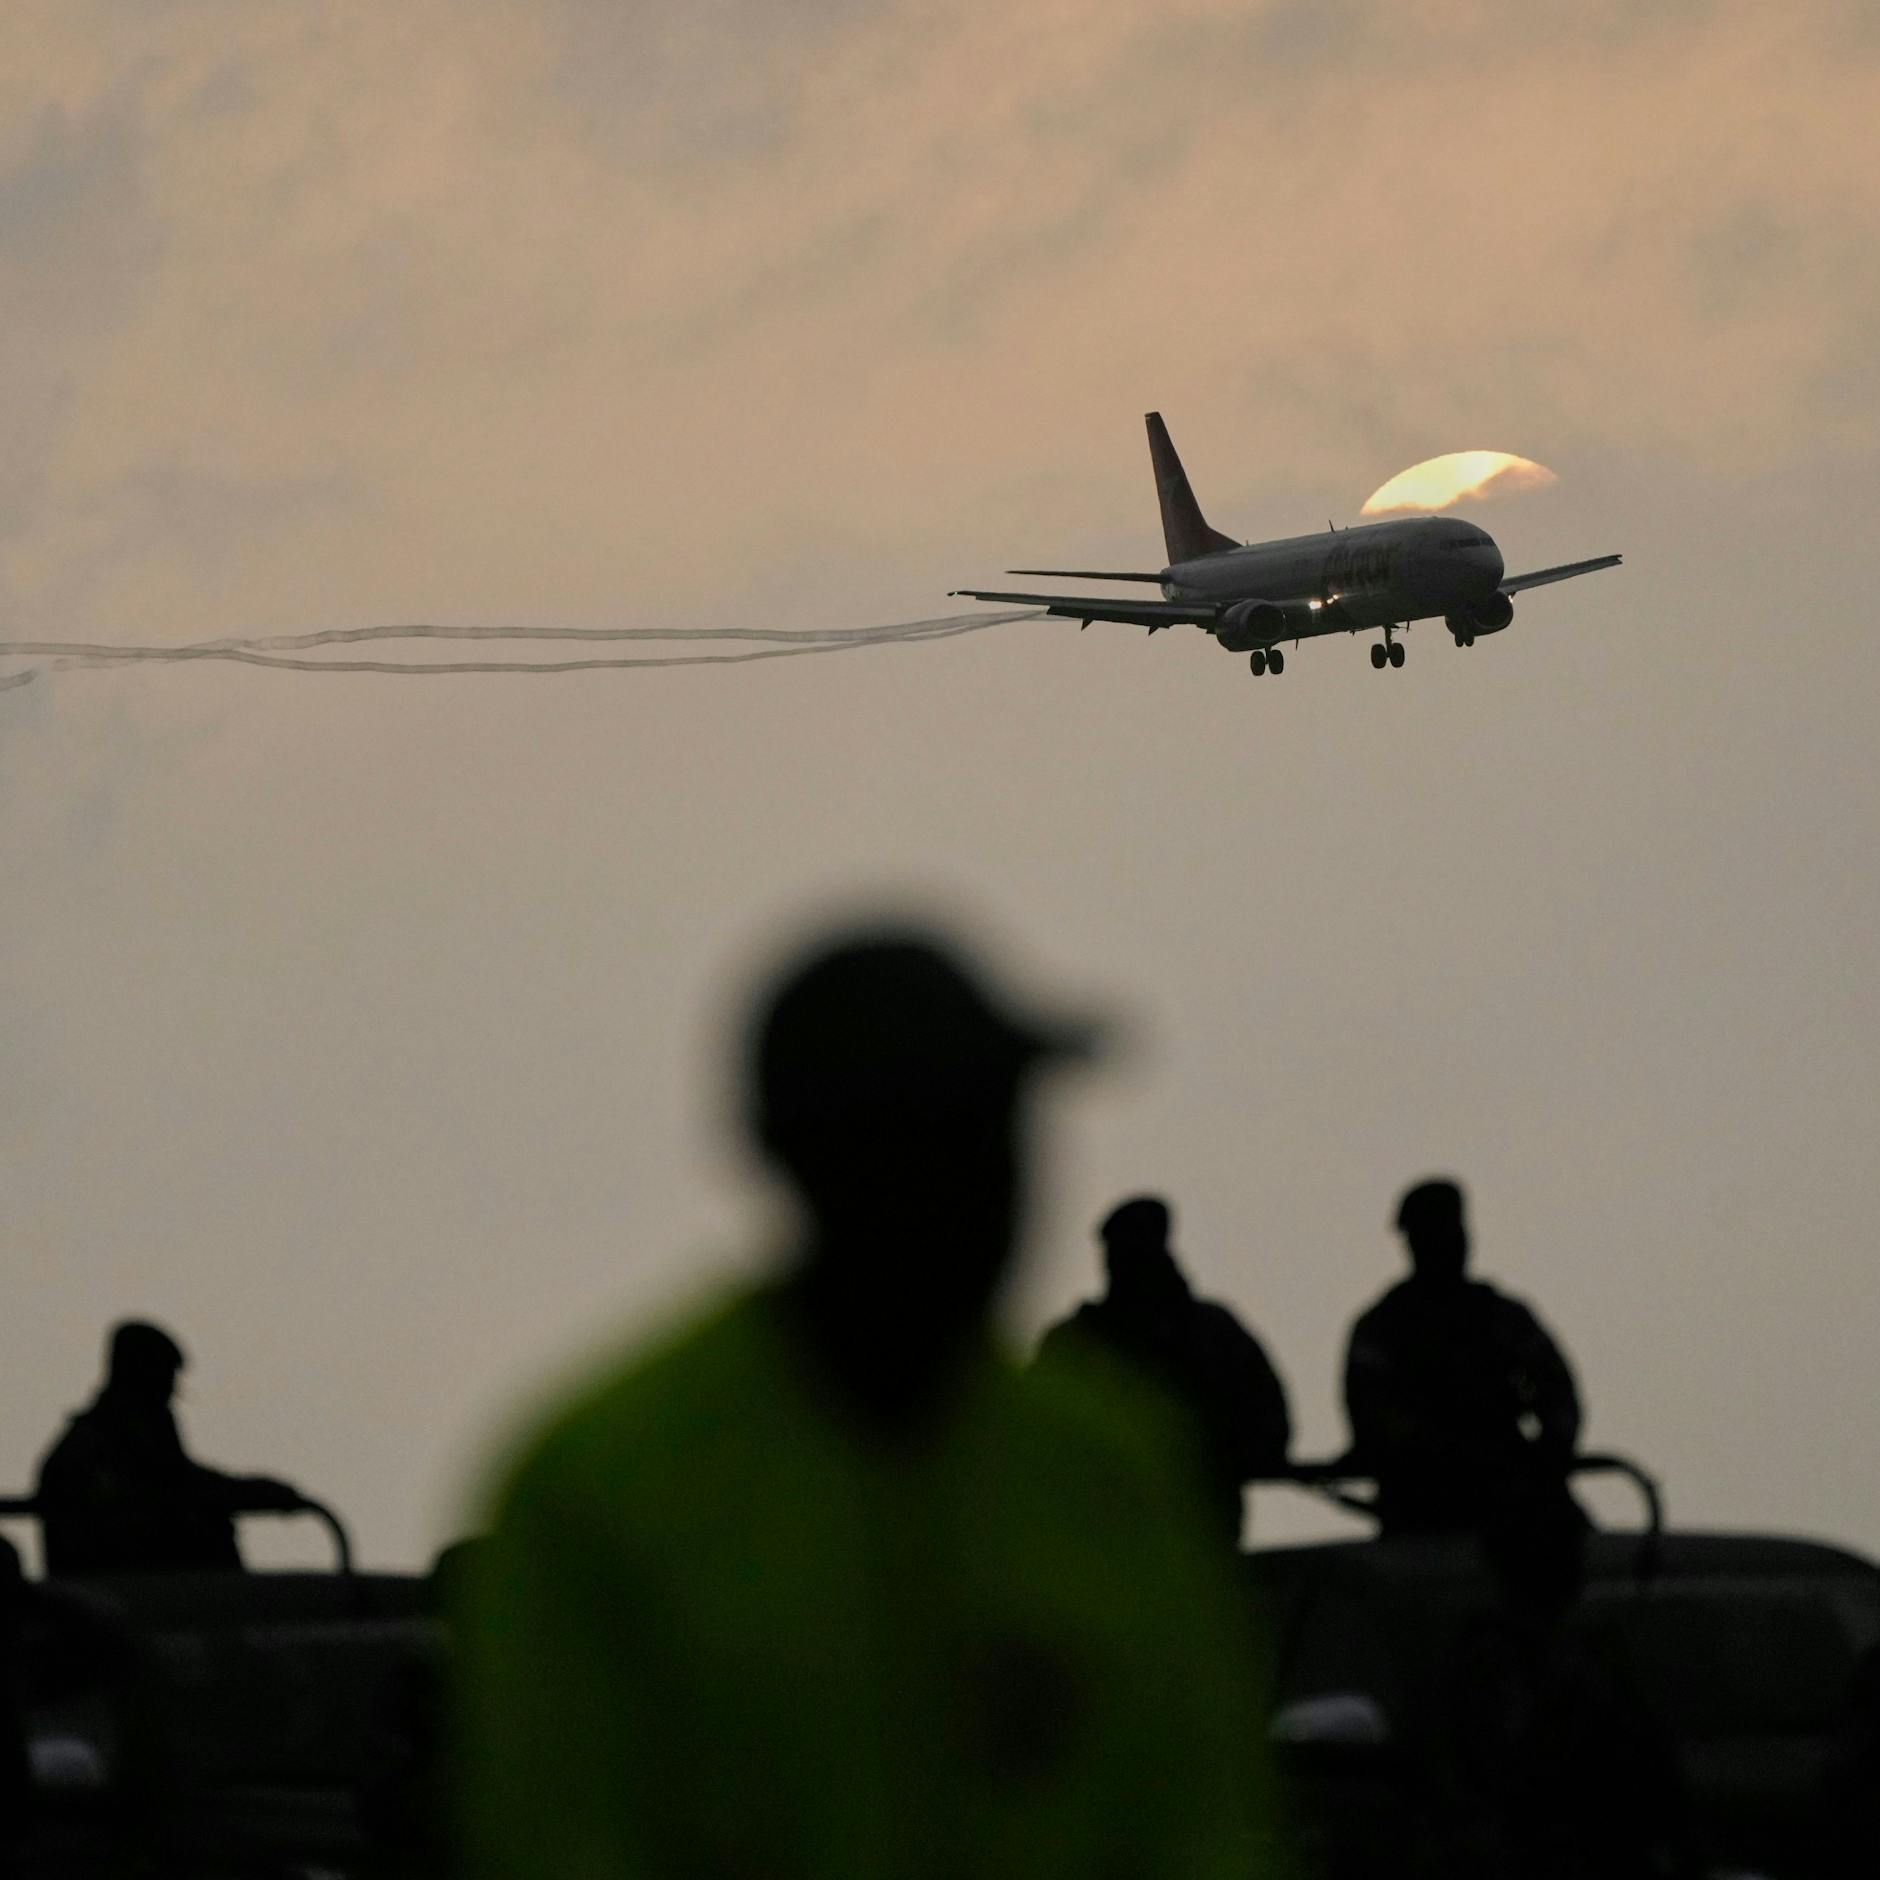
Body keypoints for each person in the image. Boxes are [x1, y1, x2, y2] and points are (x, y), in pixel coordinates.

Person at [456, 924, 1278, 1880]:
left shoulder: (1115, 1477)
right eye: (926, 1139)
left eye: (996, 1132)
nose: (987, 1182)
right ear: (797, 1159)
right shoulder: (601, 1504)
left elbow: (1201, 1834)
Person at [1037, 1194, 1291, 1542]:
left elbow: (1269, 1420)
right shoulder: (1076, 1344)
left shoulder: (1212, 1332)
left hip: (1197, 1525)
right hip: (1096, 1529)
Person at [1342, 1180, 1580, 1536]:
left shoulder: (1504, 1318)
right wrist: (1441, 1455)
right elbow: (1371, 1417)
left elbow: (1557, 1393)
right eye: (1433, 1232)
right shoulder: (1384, 1328)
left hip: (1515, 1496)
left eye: (1451, 1230)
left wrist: (1548, 1451)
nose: (1448, 1243)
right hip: (1421, 1503)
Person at [35, 1321, 303, 1576]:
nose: (169, 1398)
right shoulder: (90, 1454)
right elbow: (177, 1486)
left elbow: (183, 1478)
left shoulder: (133, 1440)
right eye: (163, 1382)